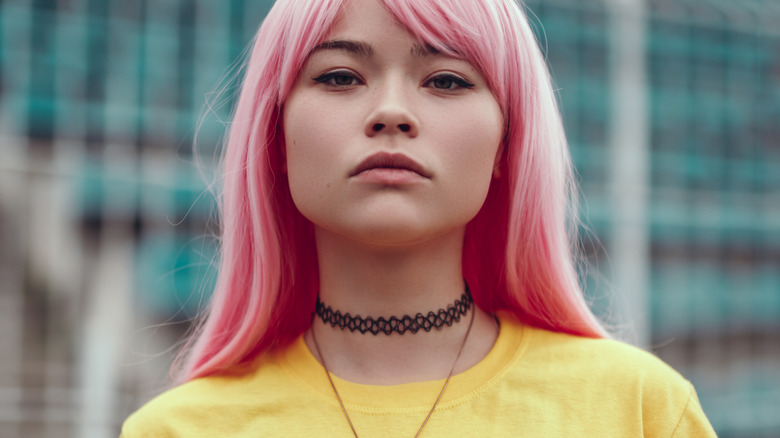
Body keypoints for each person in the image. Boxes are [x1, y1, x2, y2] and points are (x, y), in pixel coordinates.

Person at [122, 0, 716, 436]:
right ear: (276, 138)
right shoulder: (178, 430)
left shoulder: (639, 410)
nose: (391, 112)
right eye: (339, 76)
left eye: (447, 79)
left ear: (507, 147)